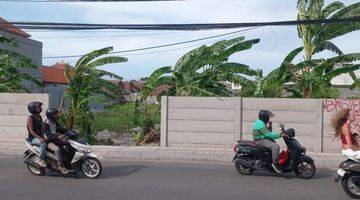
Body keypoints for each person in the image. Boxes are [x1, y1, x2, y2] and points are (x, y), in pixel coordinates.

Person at [44, 108, 69, 174]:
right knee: (57, 150)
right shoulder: (46, 124)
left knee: (68, 144)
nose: (57, 115)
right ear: (50, 115)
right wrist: (58, 136)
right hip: (48, 141)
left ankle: (67, 162)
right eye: (55, 114)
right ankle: (61, 166)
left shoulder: (54, 121)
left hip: (54, 140)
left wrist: (69, 131)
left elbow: (60, 128)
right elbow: (48, 135)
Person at [27, 101, 47, 168]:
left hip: (39, 136)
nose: (40, 108)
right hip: (33, 138)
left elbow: (41, 129)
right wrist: (40, 138)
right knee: (43, 143)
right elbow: (31, 131)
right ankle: (40, 159)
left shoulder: (39, 117)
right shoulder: (30, 118)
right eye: (38, 107)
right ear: (33, 109)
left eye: (40, 107)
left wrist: (43, 136)